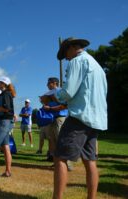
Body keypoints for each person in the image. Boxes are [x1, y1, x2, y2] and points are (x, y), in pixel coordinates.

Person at [53, 37, 107, 199]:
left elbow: (68, 91)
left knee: (60, 158)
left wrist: (55, 96)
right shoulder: (97, 66)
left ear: (72, 48)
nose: (67, 58)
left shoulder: (77, 61)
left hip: (80, 117)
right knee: (89, 161)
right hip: (96, 118)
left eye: (66, 54)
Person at [42, 78, 69, 165]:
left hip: (59, 118)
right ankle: (56, 162)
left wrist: (50, 108)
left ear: (54, 83)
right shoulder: (49, 93)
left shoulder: (60, 92)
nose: (47, 85)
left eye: (49, 83)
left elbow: (64, 106)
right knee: (53, 141)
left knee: (60, 140)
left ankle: (66, 163)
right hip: (52, 118)